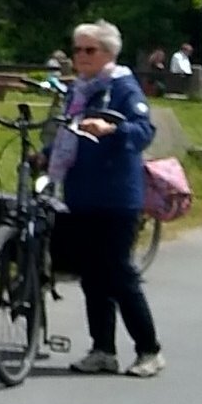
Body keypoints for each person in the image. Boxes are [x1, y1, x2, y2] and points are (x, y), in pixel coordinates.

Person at [48, 20, 164, 377]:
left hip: (116, 198)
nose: (80, 56)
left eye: (89, 50)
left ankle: (149, 350)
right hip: (82, 195)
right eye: (77, 49)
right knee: (92, 276)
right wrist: (47, 154)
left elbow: (145, 131)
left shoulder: (123, 87)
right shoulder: (79, 91)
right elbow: (68, 132)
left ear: (109, 54)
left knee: (119, 274)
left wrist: (112, 129)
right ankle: (103, 349)